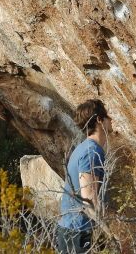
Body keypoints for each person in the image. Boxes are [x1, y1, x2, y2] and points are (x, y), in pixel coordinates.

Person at [56, 99, 111, 254]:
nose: (111, 120)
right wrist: (109, 234)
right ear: (100, 120)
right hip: (79, 233)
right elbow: (89, 199)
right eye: (107, 116)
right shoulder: (91, 152)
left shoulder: (85, 148)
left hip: (73, 230)